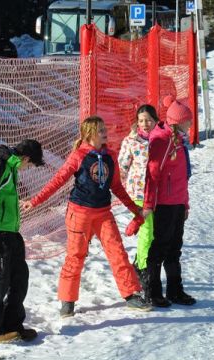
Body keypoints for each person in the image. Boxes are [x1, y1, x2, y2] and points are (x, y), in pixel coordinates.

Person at [23, 116, 151, 317]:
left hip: (103, 212)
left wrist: (134, 209)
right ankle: (67, 300)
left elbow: (116, 186)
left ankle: (131, 294)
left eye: (104, 128)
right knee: (76, 255)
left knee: (117, 251)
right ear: (90, 134)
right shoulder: (78, 155)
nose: (105, 132)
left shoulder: (110, 155)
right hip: (79, 213)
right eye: (100, 130)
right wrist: (35, 200)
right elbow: (58, 180)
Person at [0, 139, 45, 344]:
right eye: (29, 166)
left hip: (11, 233)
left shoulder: (11, 167)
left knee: (20, 278)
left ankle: (12, 324)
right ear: (26, 158)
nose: (26, 169)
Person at [143, 95, 196, 307]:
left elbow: (183, 177)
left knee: (175, 247)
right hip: (164, 203)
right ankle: (153, 290)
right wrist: (148, 204)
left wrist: (185, 204)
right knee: (160, 247)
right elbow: (152, 174)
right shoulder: (162, 141)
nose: (191, 124)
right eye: (188, 120)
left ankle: (175, 290)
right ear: (178, 121)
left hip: (177, 202)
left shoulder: (179, 142)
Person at [118, 104, 159, 299]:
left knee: (154, 233)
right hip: (139, 192)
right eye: (142, 120)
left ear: (156, 120)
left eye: (149, 120)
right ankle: (142, 268)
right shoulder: (131, 141)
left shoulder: (161, 138)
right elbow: (122, 166)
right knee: (147, 231)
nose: (145, 124)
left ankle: (139, 261)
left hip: (159, 193)